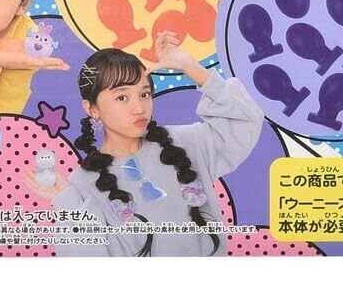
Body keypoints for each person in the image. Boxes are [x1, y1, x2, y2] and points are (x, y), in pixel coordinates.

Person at [25, 32, 263, 256]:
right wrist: (69, 204)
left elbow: (246, 121)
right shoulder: (81, 184)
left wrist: (190, 67)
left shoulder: (186, 143)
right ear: (92, 109)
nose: (139, 108)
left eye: (144, 94)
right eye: (122, 97)